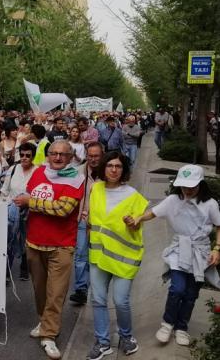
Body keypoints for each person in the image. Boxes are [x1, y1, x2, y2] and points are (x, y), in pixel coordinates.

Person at [126, 164, 220, 347]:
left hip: (200, 252)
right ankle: (167, 323)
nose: (188, 189)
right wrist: (138, 218)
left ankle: (182, 327)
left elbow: (219, 225)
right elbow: (153, 212)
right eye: (184, 186)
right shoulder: (172, 200)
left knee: (191, 294)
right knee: (177, 289)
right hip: (179, 249)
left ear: (200, 183)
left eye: (191, 186)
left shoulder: (210, 204)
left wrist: (217, 248)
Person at [14, 140, 85, 360]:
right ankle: (44, 321)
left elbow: (63, 209)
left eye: (62, 154)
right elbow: (24, 198)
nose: (57, 157)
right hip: (34, 243)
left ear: (71, 156)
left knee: (56, 294)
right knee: (40, 290)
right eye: (53, 153)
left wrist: (30, 202)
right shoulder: (39, 173)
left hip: (61, 246)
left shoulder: (76, 179)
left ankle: (49, 335)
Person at [84, 152, 148, 359]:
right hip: (99, 255)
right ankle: (103, 342)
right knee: (98, 299)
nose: (113, 169)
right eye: (110, 165)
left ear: (124, 170)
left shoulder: (134, 196)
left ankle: (126, 336)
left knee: (121, 301)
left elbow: (139, 224)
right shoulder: (96, 189)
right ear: (103, 168)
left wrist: (134, 222)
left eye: (118, 166)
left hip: (124, 258)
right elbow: (92, 222)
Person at [70, 142, 104, 306]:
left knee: (97, 257)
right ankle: (81, 290)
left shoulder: (109, 174)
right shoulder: (78, 172)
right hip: (82, 221)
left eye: (96, 156)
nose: (93, 159)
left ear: (102, 156)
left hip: (101, 223)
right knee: (81, 255)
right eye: (90, 155)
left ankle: (96, 287)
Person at [0, 142, 38, 282]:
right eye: (21, 155)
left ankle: (24, 267)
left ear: (33, 156)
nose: (24, 158)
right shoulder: (13, 169)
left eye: (28, 155)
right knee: (9, 240)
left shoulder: (38, 172)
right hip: (11, 211)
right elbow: (4, 190)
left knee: (25, 241)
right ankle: (6, 272)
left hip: (29, 213)